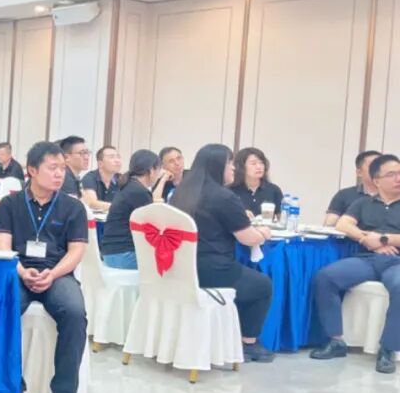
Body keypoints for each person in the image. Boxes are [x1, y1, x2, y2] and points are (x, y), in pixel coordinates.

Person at [0, 141, 88, 393]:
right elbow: (2, 246)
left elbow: (76, 251)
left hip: (57, 273)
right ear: (32, 170)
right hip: (17, 271)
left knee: (75, 314)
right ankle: (14, 390)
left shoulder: (73, 207)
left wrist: (52, 274)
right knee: (2, 309)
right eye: (52, 168)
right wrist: (22, 272)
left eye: (62, 168)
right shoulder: (9, 204)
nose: (59, 174)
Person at [171, 144, 274, 362]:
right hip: (213, 270)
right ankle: (248, 342)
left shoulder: (181, 193)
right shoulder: (224, 197)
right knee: (262, 285)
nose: (233, 169)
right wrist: (263, 233)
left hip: (180, 267)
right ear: (218, 166)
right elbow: (247, 238)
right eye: (230, 163)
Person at [311, 153, 400, 374]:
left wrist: (384, 239)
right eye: (391, 174)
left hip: (396, 261)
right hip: (367, 259)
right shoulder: (363, 203)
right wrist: (365, 239)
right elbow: (342, 224)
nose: (398, 178)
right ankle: (336, 340)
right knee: (326, 277)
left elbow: (382, 238)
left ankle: (388, 349)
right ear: (376, 180)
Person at [100, 150, 162, 269]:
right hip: (125, 255)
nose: (158, 176)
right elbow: (152, 227)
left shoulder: (128, 186)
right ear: (151, 170)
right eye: (158, 171)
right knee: (169, 264)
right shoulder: (140, 192)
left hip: (110, 253)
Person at [325, 150, 382, 226]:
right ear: (359, 172)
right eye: (373, 166)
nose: (379, 170)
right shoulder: (344, 195)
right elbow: (329, 224)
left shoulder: (393, 196)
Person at [229, 147, 284, 219]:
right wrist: (240, 213)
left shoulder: (274, 190)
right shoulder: (230, 191)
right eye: (253, 163)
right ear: (241, 166)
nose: (259, 167)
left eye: (261, 163)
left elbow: (281, 216)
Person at [80, 146, 122, 212]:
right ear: (100, 163)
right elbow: (92, 203)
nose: (117, 160)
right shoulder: (90, 178)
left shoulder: (121, 179)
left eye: (118, 157)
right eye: (111, 157)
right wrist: (120, 207)